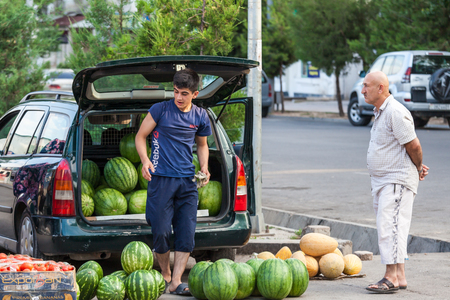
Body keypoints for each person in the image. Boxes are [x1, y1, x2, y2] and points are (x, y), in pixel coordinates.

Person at [135, 68, 211, 295]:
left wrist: (204, 166)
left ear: (195, 95)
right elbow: (140, 136)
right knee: (160, 231)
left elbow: (202, 145)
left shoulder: (200, 116)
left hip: (188, 182)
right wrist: (145, 160)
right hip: (161, 180)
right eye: (176, 92)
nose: (178, 97)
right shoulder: (160, 110)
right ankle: (165, 275)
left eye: (184, 93)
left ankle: (177, 281)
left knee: (186, 233)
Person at [363, 71, 429, 294]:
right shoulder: (381, 112)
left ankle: (390, 276)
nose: (362, 90)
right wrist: (417, 165)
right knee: (393, 227)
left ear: (380, 88)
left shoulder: (395, 111)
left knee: (389, 227)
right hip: (384, 181)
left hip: (396, 180)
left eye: (367, 86)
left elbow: (414, 146)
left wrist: (418, 167)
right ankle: (399, 276)